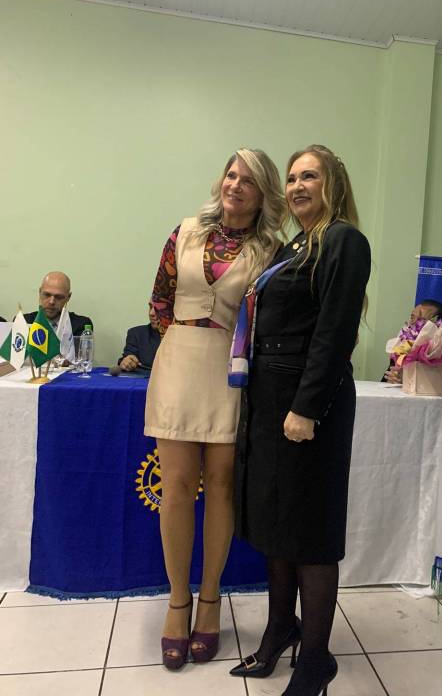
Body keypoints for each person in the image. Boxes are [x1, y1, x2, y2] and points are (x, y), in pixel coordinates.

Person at [230, 145, 371, 695]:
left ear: (332, 182)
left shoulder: (343, 240)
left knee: (310, 533)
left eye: (308, 175)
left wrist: (306, 408)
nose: (296, 186)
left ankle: (315, 659)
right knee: (277, 525)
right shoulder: (293, 246)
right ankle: (280, 631)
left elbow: (335, 332)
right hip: (270, 402)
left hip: (308, 406)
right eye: (291, 178)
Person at [144, 149, 285, 670]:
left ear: (263, 194)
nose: (236, 185)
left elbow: (270, 319)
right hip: (179, 361)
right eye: (231, 175)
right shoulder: (184, 232)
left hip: (232, 372)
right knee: (177, 487)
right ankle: (177, 602)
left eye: (249, 180)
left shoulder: (272, 250)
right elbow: (159, 300)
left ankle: (210, 601)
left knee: (222, 486)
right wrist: (183, 341)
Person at [382, 299, 442, 383]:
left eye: (422, 319)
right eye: (412, 317)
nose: (415, 323)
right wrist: (394, 379)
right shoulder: (402, 349)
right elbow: (388, 381)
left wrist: (407, 379)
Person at [24, 272, 93, 335]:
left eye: (58, 297)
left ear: (68, 297)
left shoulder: (81, 325)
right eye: (47, 295)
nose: (51, 302)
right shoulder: (24, 322)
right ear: (40, 292)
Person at [118, 303, 161, 371]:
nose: (151, 313)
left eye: (158, 308)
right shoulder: (136, 334)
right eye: (150, 307)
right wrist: (126, 363)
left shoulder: (179, 338)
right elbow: (127, 359)